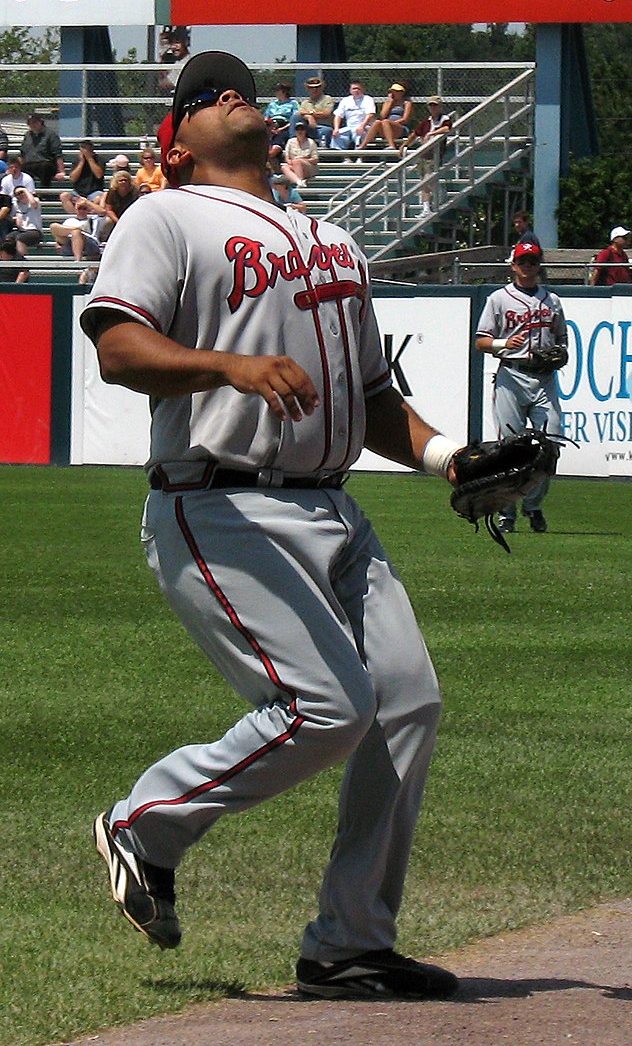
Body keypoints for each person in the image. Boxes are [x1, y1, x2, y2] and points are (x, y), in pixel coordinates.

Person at [82, 50, 461, 1001]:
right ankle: (145, 824)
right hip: (221, 500)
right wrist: (228, 365)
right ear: (175, 144)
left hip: (334, 505)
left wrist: (452, 459)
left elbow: (373, 400)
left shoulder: (333, 240)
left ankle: (350, 943)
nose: (229, 93)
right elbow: (118, 348)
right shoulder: (165, 216)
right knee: (325, 707)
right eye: (204, 94)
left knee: (406, 702)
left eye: (240, 86)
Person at [475, 240, 566, 534]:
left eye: (533, 261)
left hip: (544, 379)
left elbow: (561, 338)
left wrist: (560, 352)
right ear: (513, 265)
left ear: (539, 266)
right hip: (511, 376)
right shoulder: (498, 299)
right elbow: (481, 342)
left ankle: (533, 505)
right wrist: (504, 343)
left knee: (550, 444)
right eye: (523, 261)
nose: (528, 266)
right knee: (510, 449)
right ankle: (506, 512)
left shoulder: (552, 300)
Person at [400, 97, 453, 213]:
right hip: (424, 154)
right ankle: (426, 208)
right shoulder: (426, 122)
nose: (433, 108)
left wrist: (431, 133)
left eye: (435, 105)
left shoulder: (444, 119)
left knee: (427, 179)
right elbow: (415, 134)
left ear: (440, 107)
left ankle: (436, 198)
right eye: (431, 105)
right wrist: (404, 145)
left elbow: (446, 128)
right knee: (424, 181)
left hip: (435, 154)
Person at [361, 83, 413, 149]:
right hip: (386, 127)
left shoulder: (407, 103)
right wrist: (390, 103)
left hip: (400, 128)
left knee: (386, 122)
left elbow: (405, 119)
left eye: (396, 92)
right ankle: (363, 145)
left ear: (402, 93)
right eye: (392, 92)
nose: (393, 93)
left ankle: (392, 145)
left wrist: (391, 124)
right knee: (377, 122)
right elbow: (382, 116)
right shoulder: (388, 103)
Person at [60, 139, 105, 213]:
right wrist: (81, 162)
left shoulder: (99, 159)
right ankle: (76, 214)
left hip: (94, 191)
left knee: (99, 198)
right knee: (64, 196)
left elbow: (99, 175)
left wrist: (89, 159)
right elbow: (73, 178)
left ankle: (89, 213)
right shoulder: (77, 160)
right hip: (78, 192)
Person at [20, 112, 65, 187]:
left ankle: (44, 190)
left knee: (45, 167)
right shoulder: (28, 135)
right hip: (30, 164)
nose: (32, 125)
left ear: (41, 122)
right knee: (21, 169)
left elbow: (58, 154)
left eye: (34, 122)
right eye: (30, 123)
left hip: (46, 164)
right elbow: (22, 153)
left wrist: (62, 171)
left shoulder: (51, 134)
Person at [331, 81, 377, 151]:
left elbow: (370, 114)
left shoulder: (368, 99)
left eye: (358, 88)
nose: (356, 90)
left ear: (362, 90)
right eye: (354, 89)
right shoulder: (345, 100)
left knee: (359, 134)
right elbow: (338, 115)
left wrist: (362, 126)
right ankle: (341, 155)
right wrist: (336, 128)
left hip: (365, 127)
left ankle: (359, 154)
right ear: (350, 90)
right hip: (349, 127)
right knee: (338, 134)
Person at [281, 117, 320, 188]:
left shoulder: (311, 142)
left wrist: (301, 160)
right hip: (294, 165)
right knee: (284, 167)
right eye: (297, 129)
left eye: (302, 129)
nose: (300, 131)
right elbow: (287, 158)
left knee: (297, 161)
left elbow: (315, 159)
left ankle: (300, 181)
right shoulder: (290, 141)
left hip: (309, 167)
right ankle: (299, 182)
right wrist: (292, 163)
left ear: (305, 131)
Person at [298, 76, 335, 146]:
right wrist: (309, 117)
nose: (314, 89)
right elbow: (300, 113)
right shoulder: (305, 102)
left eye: (317, 87)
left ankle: (323, 149)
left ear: (322, 87)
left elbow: (326, 114)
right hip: (308, 127)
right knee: (295, 118)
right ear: (307, 88)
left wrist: (310, 113)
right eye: (311, 88)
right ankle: (295, 143)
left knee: (326, 131)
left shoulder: (327, 99)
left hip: (323, 126)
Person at [10, 185, 43, 250]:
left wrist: (25, 190)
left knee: (20, 238)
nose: (20, 195)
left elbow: (33, 203)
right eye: (18, 194)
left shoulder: (35, 200)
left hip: (35, 231)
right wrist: (15, 219)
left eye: (21, 192)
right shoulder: (17, 205)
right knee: (9, 238)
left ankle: (20, 256)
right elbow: (11, 217)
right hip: (22, 230)